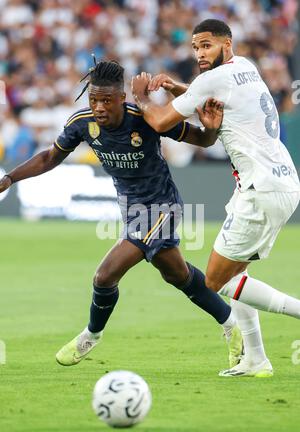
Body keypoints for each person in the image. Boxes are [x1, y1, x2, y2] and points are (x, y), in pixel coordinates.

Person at [0, 60, 244, 371]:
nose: (99, 107)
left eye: (105, 100)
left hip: (162, 205)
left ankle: (91, 334)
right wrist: (10, 178)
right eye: (93, 100)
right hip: (131, 209)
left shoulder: (144, 118)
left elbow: (203, 140)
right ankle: (231, 324)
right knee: (177, 275)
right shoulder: (82, 123)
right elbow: (50, 157)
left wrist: (210, 125)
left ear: (121, 98)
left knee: (105, 275)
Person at [131, 19, 300, 377]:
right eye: (195, 47)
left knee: (217, 281)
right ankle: (255, 359)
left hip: (261, 189)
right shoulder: (245, 68)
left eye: (206, 45)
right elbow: (205, 97)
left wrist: (142, 97)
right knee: (239, 271)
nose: (200, 53)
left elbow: (160, 122)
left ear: (227, 42)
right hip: (280, 181)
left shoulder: (212, 79)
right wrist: (179, 87)